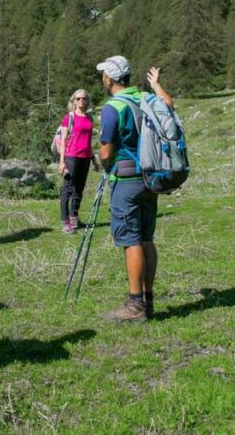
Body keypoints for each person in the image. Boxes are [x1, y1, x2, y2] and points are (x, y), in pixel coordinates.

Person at [96, 57, 173, 322]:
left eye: (103, 75)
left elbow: (106, 152)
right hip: (151, 178)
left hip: (126, 180)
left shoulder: (113, 107)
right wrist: (157, 85)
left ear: (109, 77)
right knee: (146, 238)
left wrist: (104, 164)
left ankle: (134, 304)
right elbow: (169, 106)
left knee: (130, 240)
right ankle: (147, 299)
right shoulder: (144, 97)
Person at [57, 89, 100, 234]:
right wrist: (62, 162)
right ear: (74, 101)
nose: (81, 101)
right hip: (71, 157)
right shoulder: (68, 118)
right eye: (78, 98)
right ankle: (65, 222)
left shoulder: (89, 118)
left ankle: (74, 217)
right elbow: (63, 141)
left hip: (85, 158)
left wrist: (94, 159)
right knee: (68, 189)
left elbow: (88, 142)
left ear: (87, 101)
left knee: (79, 190)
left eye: (84, 99)